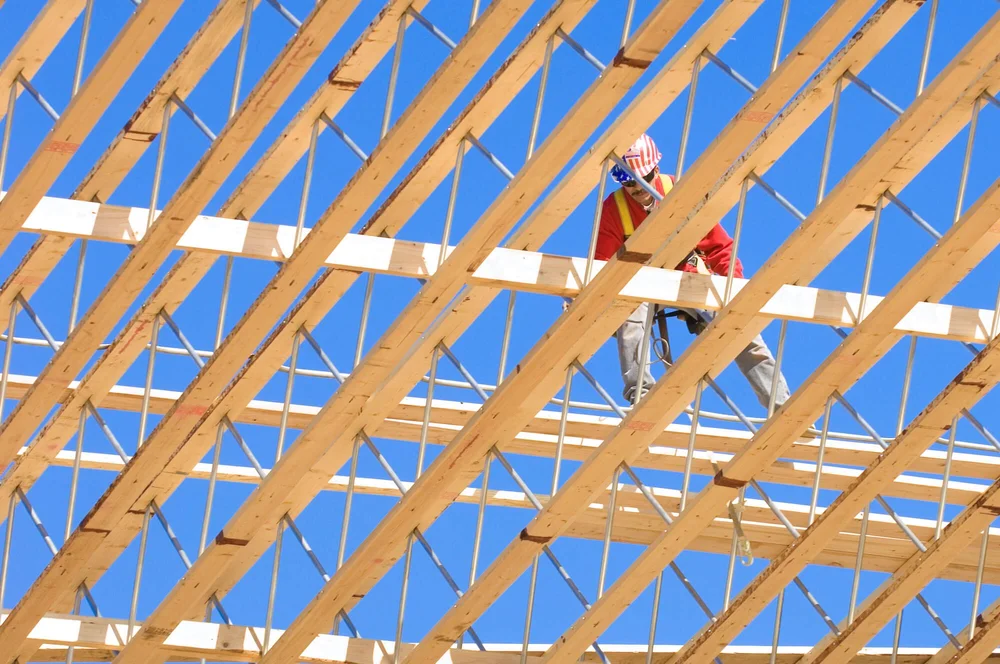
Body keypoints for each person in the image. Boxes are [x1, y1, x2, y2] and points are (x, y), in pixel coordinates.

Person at [592, 133, 791, 408]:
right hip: (642, 284)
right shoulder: (615, 208)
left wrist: (734, 289)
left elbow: (720, 247)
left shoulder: (679, 193)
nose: (637, 188)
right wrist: (585, 300)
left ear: (656, 170)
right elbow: (602, 264)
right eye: (629, 182)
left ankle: (780, 404)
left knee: (738, 329)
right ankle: (641, 394)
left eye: (643, 179)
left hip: (687, 275)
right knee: (629, 313)